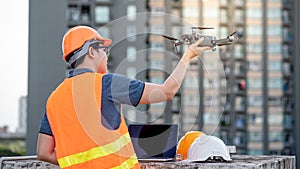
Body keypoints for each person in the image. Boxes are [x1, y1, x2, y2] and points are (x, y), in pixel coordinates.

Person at [36, 25, 209, 169]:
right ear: (91, 51)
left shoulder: (54, 98)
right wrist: (188, 56)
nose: (106, 55)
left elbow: (44, 152)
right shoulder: (106, 83)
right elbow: (167, 90)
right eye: (104, 49)